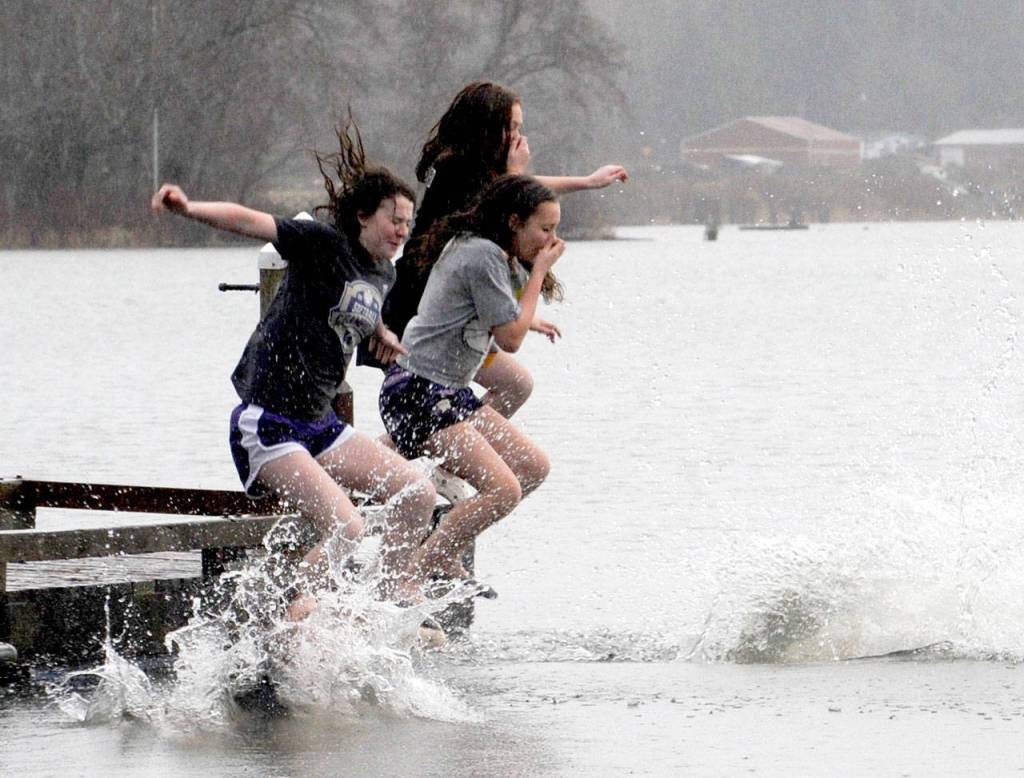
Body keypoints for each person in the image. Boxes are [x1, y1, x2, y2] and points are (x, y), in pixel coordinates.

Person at [150, 122, 437, 619]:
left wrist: (380, 335)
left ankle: (382, 605)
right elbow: (250, 222)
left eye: (408, 223)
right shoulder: (321, 244)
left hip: (320, 425)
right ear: (363, 215)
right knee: (348, 528)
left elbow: (347, 313)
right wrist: (189, 208)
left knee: (418, 492)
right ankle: (293, 612)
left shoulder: (382, 272)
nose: (401, 231)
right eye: (394, 219)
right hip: (269, 423)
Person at [378, 80, 628, 419]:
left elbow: (523, 189)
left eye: (519, 127)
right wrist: (516, 173)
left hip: (451, 307)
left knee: (515, 386)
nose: (516, 136)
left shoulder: (476, 166)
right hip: (418, 308)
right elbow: (508, 200)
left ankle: (442, 461)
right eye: (510, 127)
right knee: (488, 394)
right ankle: (424, 457)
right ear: (486, 125)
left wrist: (586, 182)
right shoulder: (456, 168)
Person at [378, 175, 563, 584]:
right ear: (515, 221)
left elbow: (498, 314)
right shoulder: (481, 254)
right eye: (545, 229)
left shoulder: (493, 253)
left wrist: (530, 319)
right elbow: (509, 340)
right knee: (504, 490)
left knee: (533, 467)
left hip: (449, 393)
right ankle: (415, 574)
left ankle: (441, 550)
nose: (552, 240)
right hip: (417, 391)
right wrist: (540, 273)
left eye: (555, 230)